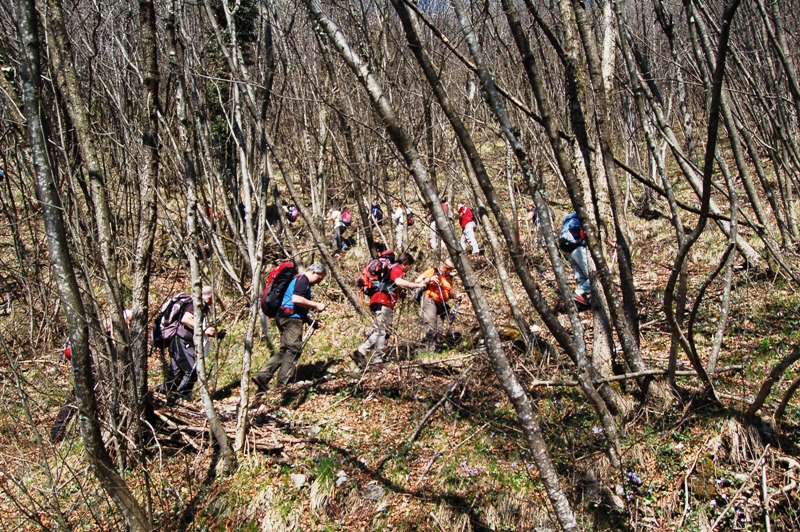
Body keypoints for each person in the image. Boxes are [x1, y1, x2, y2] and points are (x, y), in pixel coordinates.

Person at [51, 310, 132, 443]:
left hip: (87, 364)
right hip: (89, 365)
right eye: (129, 322)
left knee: (80, 396)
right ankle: (58, 431)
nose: (129, 326)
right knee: (80, 396)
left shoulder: (101, 326)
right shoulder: (107, 328)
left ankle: (60, 430)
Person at [252, 264, 327, 392]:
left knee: (285, 350)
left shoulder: (298, 279)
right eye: (319, 278)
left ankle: (262, 377)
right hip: (291, 318)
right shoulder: (303, 280)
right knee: (294, 350)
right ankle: (283, 385)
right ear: (313, 272)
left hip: (284, 316)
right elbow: (296, 299)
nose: (319, 282)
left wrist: (310, 322)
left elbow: (297, 305)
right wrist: (316, 305)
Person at [351, 252, 425, 368]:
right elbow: (398, 281)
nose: (408, 269)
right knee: (383, 332)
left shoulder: (390, 268)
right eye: (409, 266)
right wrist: (417, 285)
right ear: (406, 264)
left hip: (380, 300)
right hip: (383, 302)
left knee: (383, 331)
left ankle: (360, 352)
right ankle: (376, 360)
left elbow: (392, 285)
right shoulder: (397, 268)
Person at [161, 286, 218, 400]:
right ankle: (181, 398)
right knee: (191, 371)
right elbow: (185, 319)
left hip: (180, 341)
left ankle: (160, 394)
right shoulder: (196, 303)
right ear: (210, 297)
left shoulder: (200, 305)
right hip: (180, 340)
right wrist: (204, 329)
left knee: (176, 374)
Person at [415, 258, 463, 349]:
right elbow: (417, 281)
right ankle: (429, 349)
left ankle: (437, 348)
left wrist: (456, 296)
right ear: (441, 264)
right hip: (430, 300)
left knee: (439, 326)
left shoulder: (449, 278)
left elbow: (446, 293)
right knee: (431, 323)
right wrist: (429, 279)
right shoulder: (433, 271)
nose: (448, 271)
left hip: (441, 303)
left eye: (451, 269)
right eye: (447, 268)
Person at [560, 212, 592, 310]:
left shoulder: (569, 220)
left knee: (581, 279)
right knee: (594, 277)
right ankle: (578, 293)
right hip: (579, 249)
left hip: (570, 252)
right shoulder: (583, 219)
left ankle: (580, 302)